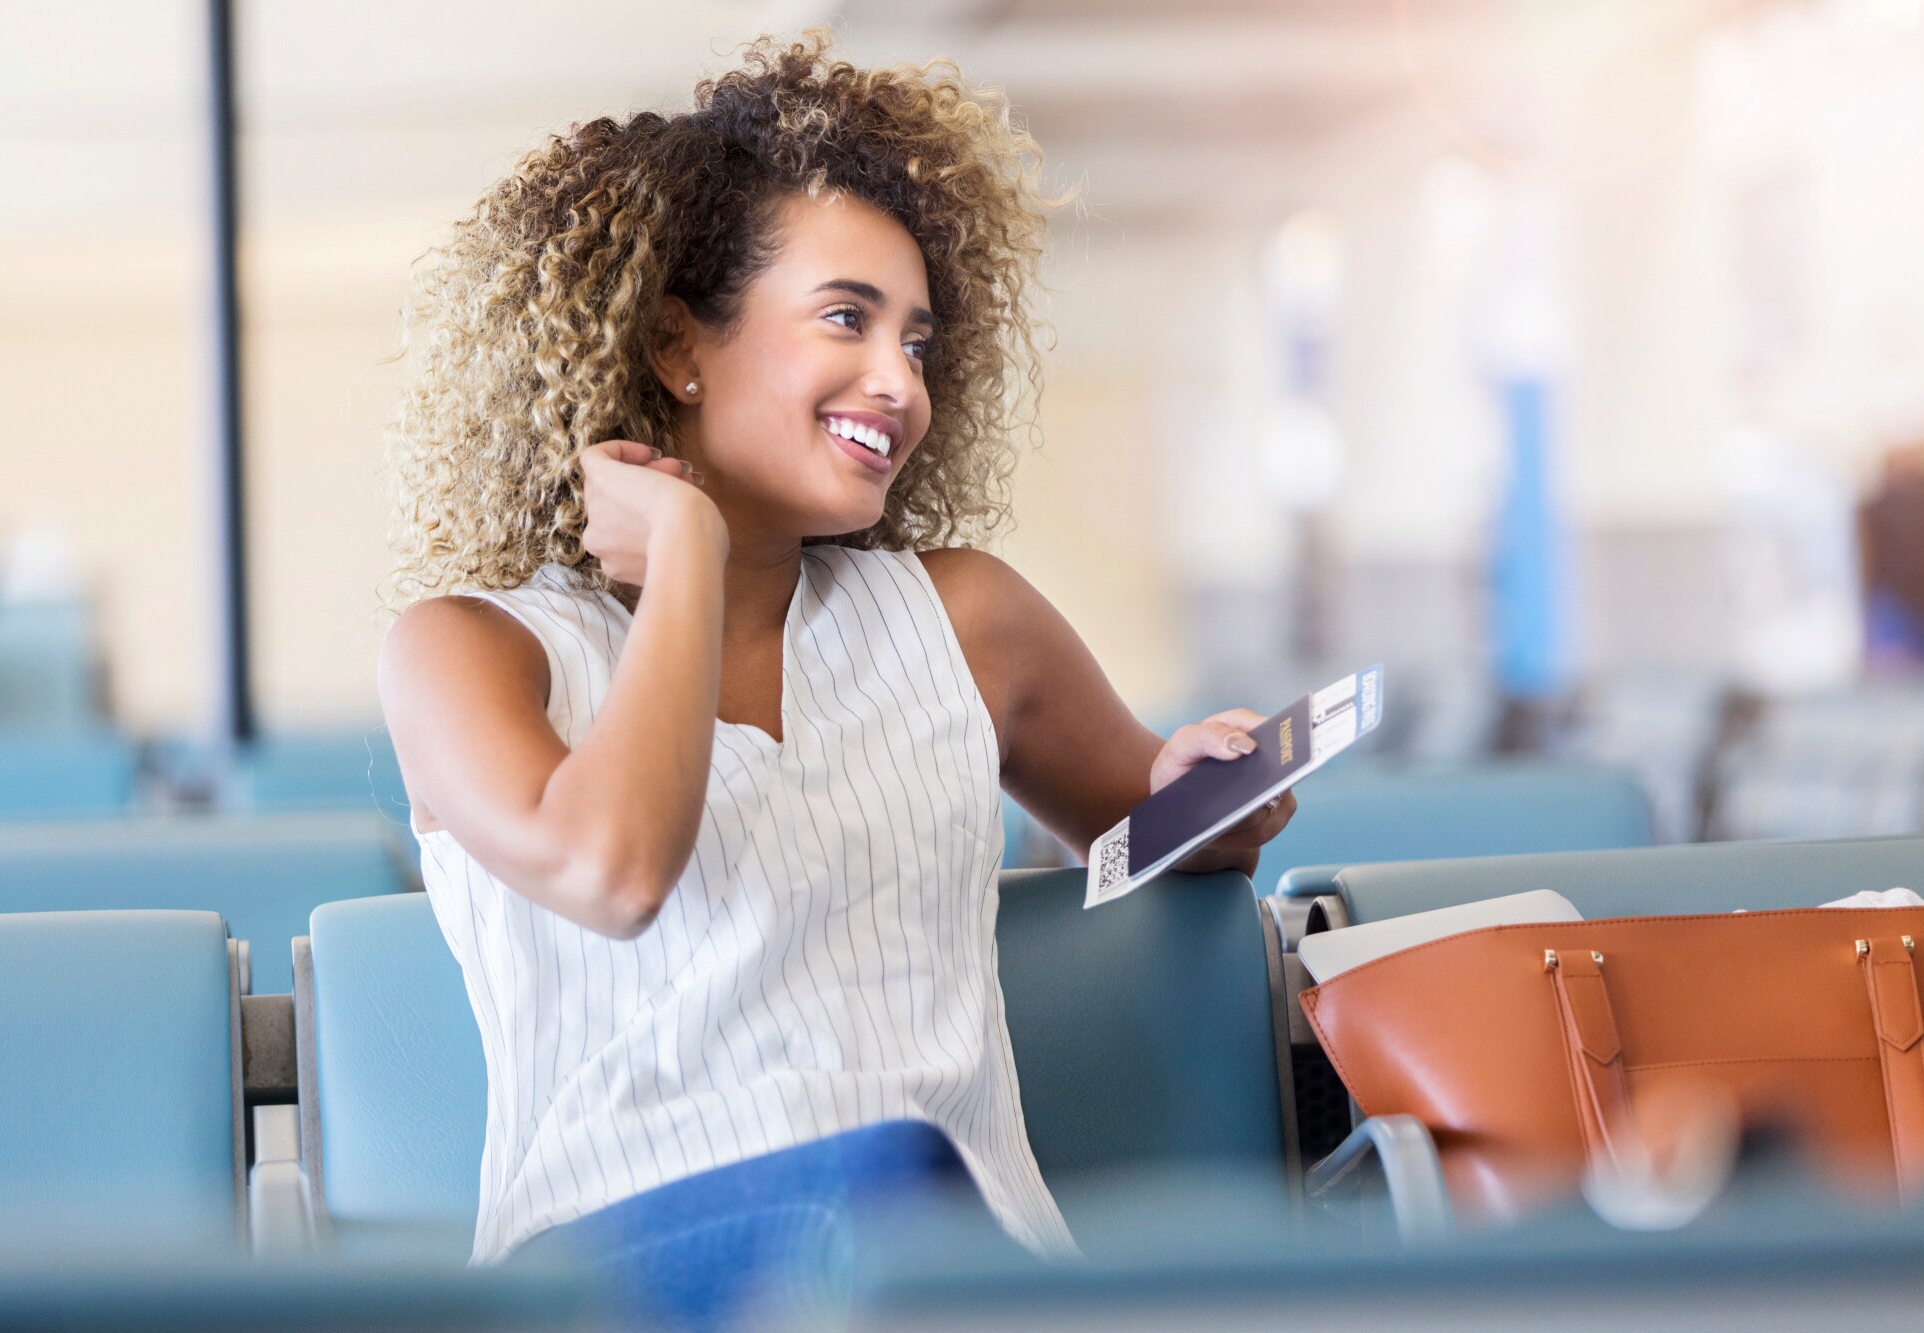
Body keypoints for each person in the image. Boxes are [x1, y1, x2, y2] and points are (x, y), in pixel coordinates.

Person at [378, 31, 1297, 1328]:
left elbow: (1151, 826)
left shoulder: (966, 619)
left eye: (918, 342)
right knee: (888, 1192)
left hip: (939, 1238)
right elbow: (612, 871)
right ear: (678, 343)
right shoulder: (469, 650)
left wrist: (1205, 789)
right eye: (847, 319)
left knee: (901, 1194)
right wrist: (688, 551)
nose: (899, 383)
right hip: (616, 1260)